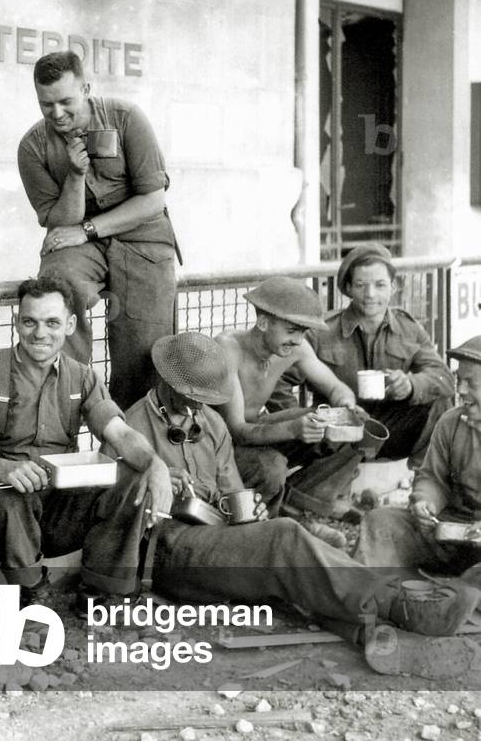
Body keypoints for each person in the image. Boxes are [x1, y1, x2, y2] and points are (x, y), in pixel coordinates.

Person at [117, 332, 481, 680]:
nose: (199, 405)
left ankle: (364, 629)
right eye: (190, 396)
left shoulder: (210, 423)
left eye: (205, 397)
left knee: (294, 562)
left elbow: (232, 491)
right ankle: (398, 604)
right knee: (284, 538)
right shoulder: (133, 429)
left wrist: (248, 509)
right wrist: (159, 485)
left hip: (215, 544)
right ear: (168, 382)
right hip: (167, 552)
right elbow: (113, 512)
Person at [0, 274, 172, 606]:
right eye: (30, 322)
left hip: (56, 507)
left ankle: (101, 591)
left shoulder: (83, 377)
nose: (40, 333)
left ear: (70, 324)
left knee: (132, 479)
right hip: (1, 514)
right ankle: (31, 593)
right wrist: (1, 469)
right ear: (17, 323)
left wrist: (156, 465)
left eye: (52, 322)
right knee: (5, 497)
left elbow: (120, 434)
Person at [17, 50, 179, 409]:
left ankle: (131, 442)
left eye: (66, 102)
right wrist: (75, 176)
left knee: (144, 351)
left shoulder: (127, 119)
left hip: (143, 237)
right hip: (80, 243)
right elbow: (59, 223)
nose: (57, 114)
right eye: (47, 105)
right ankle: (66, 408)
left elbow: (152, 201)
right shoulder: (32, 147)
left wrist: (88, 229)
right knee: (58, 285)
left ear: (86, 88)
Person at [216, 277, 358, 516]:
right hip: (219, 441)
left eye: (303, 332)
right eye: (291, 331)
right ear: (263, 322)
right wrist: (292, 429)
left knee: (346, 428)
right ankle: (257, 527)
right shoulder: (228, 348)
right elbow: (236, 430)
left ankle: (295, 509)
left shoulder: (296, 347)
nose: (298, 340)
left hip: (256, 429)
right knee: (271, 468)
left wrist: (346, 405)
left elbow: (336, 388)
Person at [307, 242, 455, 463]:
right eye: (360, 285)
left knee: (440, 402)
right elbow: (281, 379)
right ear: (347, 288)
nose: (370, 294)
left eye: (380, 285)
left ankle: (425, 478)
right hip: (339, 435)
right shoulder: (322, 331)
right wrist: (302, 423)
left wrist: (411, 385)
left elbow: (443, 378)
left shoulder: (409, 329)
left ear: (393, 287)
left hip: (390, 429)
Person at [354, 334, 481, 582]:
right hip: (448, 532)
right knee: (381, 522)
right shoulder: (450, 423)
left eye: (471, 383)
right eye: (459, 380)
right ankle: (362, 597)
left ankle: (458, 593)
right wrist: (425, 503)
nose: (461, 390)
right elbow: (433, 477)